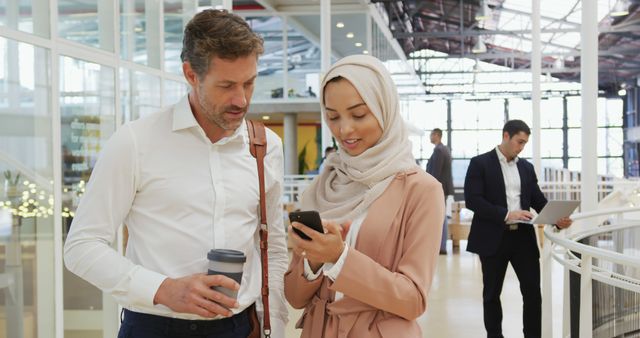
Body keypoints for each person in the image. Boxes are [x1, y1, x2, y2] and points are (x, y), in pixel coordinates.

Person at [63, 9, 288, 338]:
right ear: (191, 74)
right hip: (155, 327)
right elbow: (81, 246)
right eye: (226, 85)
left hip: (240, 328)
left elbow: (275, 247)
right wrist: (163, 289)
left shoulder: (266, 146)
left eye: (249, 83)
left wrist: (276, 324)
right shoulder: (136, 142)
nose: (241, 99)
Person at [284, 55, 444, 337]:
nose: (344, 129)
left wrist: (340, 257)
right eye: (333, 117)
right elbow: (296, 298)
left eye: (359, 114)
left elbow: (413, 299)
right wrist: (314, 260)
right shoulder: (322, 187)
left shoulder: (420, 190)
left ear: (384, 109)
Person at [464, 120, 572, 338]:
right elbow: (473, 200)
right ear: (506, 136)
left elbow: (538, 200)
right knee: (492, 294)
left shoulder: (526, 167)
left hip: (523, 238)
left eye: (525, 143)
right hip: (493, 237)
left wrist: (556, 219)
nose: (521, 147)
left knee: (533, 293)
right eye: (519, 142)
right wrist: (506, 214)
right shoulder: (480, 163)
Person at [426, 128, 454, 254]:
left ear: (437, 135)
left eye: (431, 135)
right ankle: (441, 245)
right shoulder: (445, 149)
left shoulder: (438, 150)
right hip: (443, 188)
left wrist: (430, 188)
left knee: (439, 217)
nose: (430, 137)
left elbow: (435, 172)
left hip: (438, 189)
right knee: (441, 216)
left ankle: (441, 246)